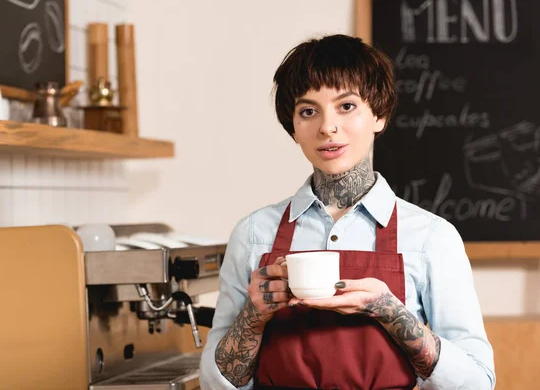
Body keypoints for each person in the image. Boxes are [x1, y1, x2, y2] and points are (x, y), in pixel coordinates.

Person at [199, 34, 495, 390]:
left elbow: (477, 381)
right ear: (293, 128)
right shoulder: (252, 233)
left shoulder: (432, 237)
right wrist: (252, 316)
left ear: (379, 115)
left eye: (347, 106)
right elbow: (214, 383)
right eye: (308, 111)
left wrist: (390, 310)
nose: (327, 127)